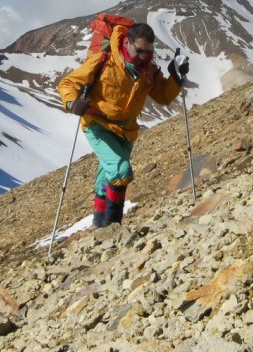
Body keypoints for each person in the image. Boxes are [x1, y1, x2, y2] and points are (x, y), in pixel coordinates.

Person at [58, 22, 189, 227]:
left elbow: (163, 96)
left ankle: (99, 227)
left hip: (126, 130)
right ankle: (112, 226)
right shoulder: (104, 60)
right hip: (97, 124)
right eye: (140, 51)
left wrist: (176, 78)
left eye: (149, 52)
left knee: (107, 180)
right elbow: (68, 83)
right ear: (126, 42)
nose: (144, 56)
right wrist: (71, 103)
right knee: (120, 171)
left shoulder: (148, 71)